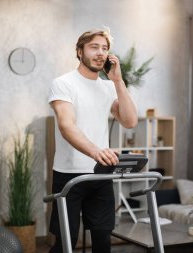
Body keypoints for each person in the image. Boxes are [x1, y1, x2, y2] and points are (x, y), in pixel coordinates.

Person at [47, 28, 138, 253]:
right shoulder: (63, 83)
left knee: (102, 240)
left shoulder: (109, 87)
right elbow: (66, 125)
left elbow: (130, 121)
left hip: (100, 173)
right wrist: (95, 151)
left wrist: (117, 80)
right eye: (94, 47)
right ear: (80, 51)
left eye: (105, 48)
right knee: (64, 242)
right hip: (69, 174)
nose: (100, 53)